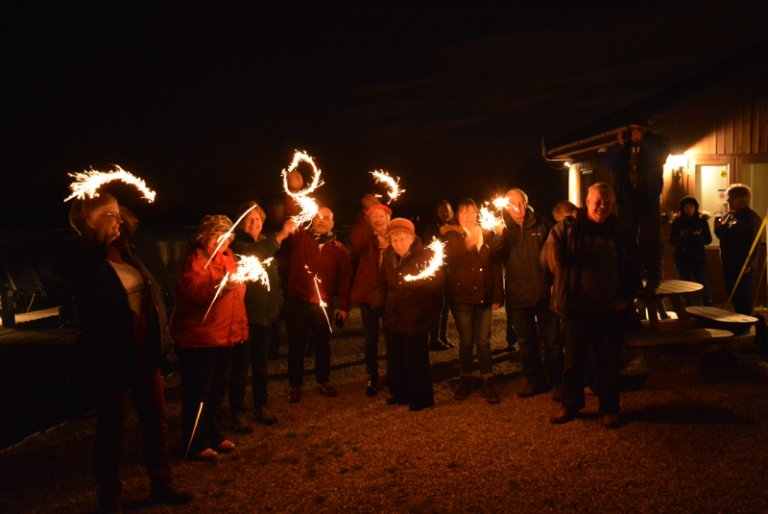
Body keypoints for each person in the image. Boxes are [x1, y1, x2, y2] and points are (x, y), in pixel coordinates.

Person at [66, 192, 190, 512]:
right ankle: (109, 496)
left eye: (118, 213)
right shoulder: (83, 260)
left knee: (156, 421)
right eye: (109, 215)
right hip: (112, 359)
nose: (118, 220)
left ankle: (162, 484)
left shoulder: (127, 251)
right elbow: (91, 299)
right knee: (112, 428)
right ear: (87, 221)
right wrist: (95, 247)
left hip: (144, 352)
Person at [546, 183, 637, 428]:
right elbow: (551, 255)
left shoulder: (619, 231)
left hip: (609, 310)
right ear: (586, 201)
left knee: (609, 362)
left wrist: (626, 297)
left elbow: (632, 267)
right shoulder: (569, 228)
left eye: (607, 202)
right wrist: (560, 279)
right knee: (573, 361)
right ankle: (570, 405)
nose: (602, 207)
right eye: (598, 201)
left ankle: (609, 409)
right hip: (577, 308)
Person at [171, 215, 247, 460]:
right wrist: (221, 286)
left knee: (217, 389)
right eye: (218, 235)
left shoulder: (228, 257)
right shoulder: (196, 261)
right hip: (200, 338)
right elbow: (194, 294)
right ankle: (195, 442)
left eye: (227, 235)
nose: (224, 240)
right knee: (198, 392)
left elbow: (236, 297)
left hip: (225, 335)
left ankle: (214, 434)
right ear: (204, 237)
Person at [228, 201, 296, 433]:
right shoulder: (236, 245)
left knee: (261, 366)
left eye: (257, 218)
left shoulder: (264, 243)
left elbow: (273, 279)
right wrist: (281, 236)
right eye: (248, 219)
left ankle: (261, 405)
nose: (253, 222)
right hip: (245, 317)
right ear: (240, 222)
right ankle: (237, 411)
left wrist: (277, 305)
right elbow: (252, 255)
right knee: (240, 367)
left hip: (265, 317)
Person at [372, 218, 444, 411]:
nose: (398, 244)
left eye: (402, 239)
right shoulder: (388, 256)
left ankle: (420, 398)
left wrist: (428, 314)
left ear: (412, 238)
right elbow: (381, 282)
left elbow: (435, 289)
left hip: (415, 317)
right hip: (393, 316)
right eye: (394, 240)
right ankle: (400, 393)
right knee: (395, 359)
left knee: (416, 360)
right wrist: (379, 303)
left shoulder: (425, 257)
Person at [286, 206, 352, 403]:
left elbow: (345, 280)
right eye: (318, 217)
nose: (321, 221)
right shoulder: (300, 238)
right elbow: (291, 213)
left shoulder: (339, 249)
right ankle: (295, 385)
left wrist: (344, 306)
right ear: (312, 220)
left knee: (323, 345)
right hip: (298, 301)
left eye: (326, 218)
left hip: (323, 304)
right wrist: (295, 190)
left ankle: (323, 381)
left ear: (333, 223)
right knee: (296, 345)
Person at [442, 199, 504, 403]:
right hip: (462, 297)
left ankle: (487, 378)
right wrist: (469, 242)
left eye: (472, 212)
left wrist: (498, 294)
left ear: (478, 213)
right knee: (466, 341)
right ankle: (466, 377)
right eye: (464, 213)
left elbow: (495, 266)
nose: (468, 216)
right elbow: (449, 256)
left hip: (484, 296)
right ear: (458, 216)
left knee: (484, 341)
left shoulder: (488, 234)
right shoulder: (452, 235)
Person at [502, 188, 561, 399]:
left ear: (526, 203)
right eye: (512, 203)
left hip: (544, 293)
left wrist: (555, 283)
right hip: (518, 295)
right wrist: (499, 237)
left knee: (552, 341)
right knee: (526, 342)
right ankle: (535, 380)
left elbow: (555, 254)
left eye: (520, 203)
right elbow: (495, 255)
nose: (517, 207)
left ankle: (557, 382)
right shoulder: (502, 228)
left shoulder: (542, 224)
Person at [605, 119, 670, 290]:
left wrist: (644, 140)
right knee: (626, 240)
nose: (633, 133)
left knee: (650, 239)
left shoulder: (657, 142)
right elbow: (609, 163)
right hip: (626, 199)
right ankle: (631, 277)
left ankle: (653, 278)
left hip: (648, 198)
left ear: (646, 129)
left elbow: (660, 156)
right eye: (631, 129)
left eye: (637, 129)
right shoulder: (623, 146)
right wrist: (619, 146)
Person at [350, 195, 392, 396]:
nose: (377, 217)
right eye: (373, 215)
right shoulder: (366, 239)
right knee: (371, 337)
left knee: (394, 336)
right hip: (369, 295)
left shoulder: (396, 236)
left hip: (392, 295)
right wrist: (367, 223)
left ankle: (394, 374)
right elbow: (355, 242)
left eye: (381, 214)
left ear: (387, 217)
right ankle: (372, 376)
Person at [714, 184, 763, 317]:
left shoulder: (751, 218)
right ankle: (738, 321)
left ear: (742, 200)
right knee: (733, 294)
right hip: (730, 263)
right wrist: (718, 226)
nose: (728, 202)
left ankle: (745, 326)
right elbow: (722, 235)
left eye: (731, 199)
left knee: (743, 297)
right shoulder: (730, 216)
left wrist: (749, 263)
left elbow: (754, 241)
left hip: (743, 265)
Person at [423, 199, 456, 351]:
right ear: (437, 212)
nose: (445, 213)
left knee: (447, 305)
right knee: (439, 304)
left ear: (452, 212)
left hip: (450, 271)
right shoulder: (432, 228)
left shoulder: (455, 228)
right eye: (442, 210)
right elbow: (430, 248)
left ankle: (443, 337)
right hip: (437, 271)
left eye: (447, 210)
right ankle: (434, 339)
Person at [668, 196, 713, 305]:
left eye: (691, 206)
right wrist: (683, 237)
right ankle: (687, 309)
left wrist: (698, 237)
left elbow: (708, 239)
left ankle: (707, 307)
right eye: (686, 207)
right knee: (684, 286)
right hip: (682, 258)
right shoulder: (678, 222)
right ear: (682, 209)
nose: (689, 209)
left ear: (695, 207)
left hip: (698, 257)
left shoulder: (702, 221)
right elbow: (672, 240)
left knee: (703, 284)